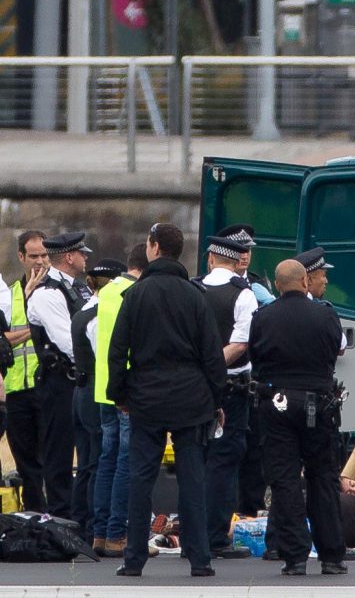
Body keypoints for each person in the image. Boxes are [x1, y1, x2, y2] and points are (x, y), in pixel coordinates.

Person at [107, 223, 227, 577]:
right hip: (192, 399)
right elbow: (212, 354)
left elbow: (117, 352)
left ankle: (133, 560)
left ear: (154, 247)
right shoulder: (195, 296)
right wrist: (215, 397)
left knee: (141, 478)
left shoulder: (136, 295)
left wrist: (121, 394)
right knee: (193, 478)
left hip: (146, 397)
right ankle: (200, 559)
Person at [248, 259, 347, 576]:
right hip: (320, 404)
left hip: (276, 404)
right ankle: (331, 556)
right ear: (306, 280)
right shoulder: (325, 314)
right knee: (323, 478)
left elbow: (256, 356)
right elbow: (335, 350)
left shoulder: (264, 317)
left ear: (277, 285)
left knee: (285, 479)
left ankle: (295, 556)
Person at [198, 235, 258, 559]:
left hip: (194, 388)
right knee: (225, 459)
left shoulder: (194, 289)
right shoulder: (242, 294)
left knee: (196, 459)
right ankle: (216, 538)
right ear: (236, 262)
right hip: (230, 388)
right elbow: (240, 344)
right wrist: (212, 368)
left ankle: (195, 536)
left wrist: (198, 371)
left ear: (210, 259)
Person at [27, 231, 93, 520]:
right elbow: (69, 342)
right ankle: (60, 515)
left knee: (86, 448)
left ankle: (81, 514)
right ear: (69, 257)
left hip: (78, 380)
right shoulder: (48, 294)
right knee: (59, 451)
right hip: (59, 381)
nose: (86, 257)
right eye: (82, 253)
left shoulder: (79, 289)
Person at [92, 244, 148, 557]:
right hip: (128, 390)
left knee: (107, 460)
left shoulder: (109, 290)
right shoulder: (136, 293)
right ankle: (117, 535)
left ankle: (100, 534)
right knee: (127, 462)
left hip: (104, 389)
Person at [215, 224, 274, 519]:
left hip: (254, 377)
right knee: (222, 451)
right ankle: (226, 511)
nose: (245, 256)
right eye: (239, 251)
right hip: (225, 376)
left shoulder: (257, 285)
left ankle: (249, 506)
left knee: (254, 448)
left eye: (248, 251)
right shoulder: (214, 286)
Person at [70, 258, 124, 542]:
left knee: (88, 462)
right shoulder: (99, 315)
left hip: (81, 390)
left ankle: (81, 522)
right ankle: (91, 525)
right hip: (94, 392)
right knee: (98, 461)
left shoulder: (83, 312)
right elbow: (104, 356)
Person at [3, 230, 49, 512]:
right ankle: (35, 516)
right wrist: (35, 328)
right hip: (16, 391)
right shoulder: (9, 295)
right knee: (26, 463)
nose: (40, 261)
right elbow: (2, 337)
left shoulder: (60, 290)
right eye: (33, 256)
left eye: (44, 255)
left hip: (47, 387)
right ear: (21, 257)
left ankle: (55, 516)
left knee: (51, 459)